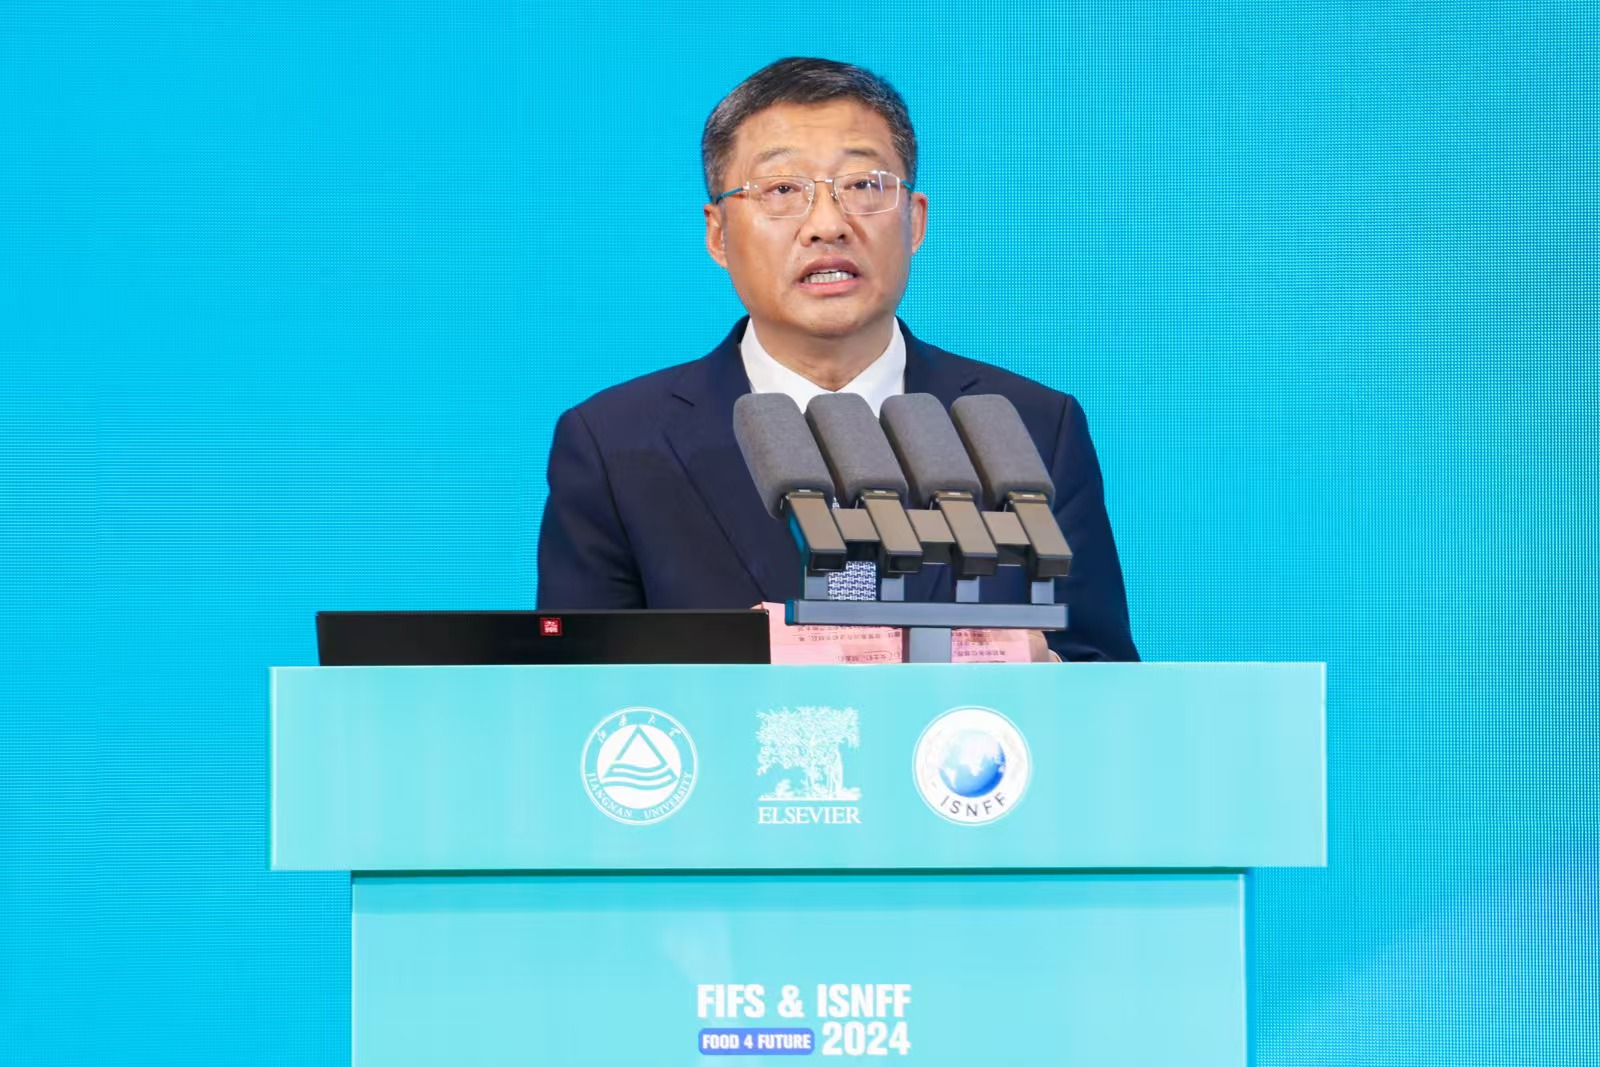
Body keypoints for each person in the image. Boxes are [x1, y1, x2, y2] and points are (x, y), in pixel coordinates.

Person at [537, 58, 1138, 662]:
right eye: (781, 190)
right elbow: (575, 688)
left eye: (863, 186)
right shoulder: (614, 444)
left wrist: (1047, 672)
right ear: (718, 234)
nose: (827, 225)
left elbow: (1108, 678)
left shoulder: (1033, 427)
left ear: (914, 221)